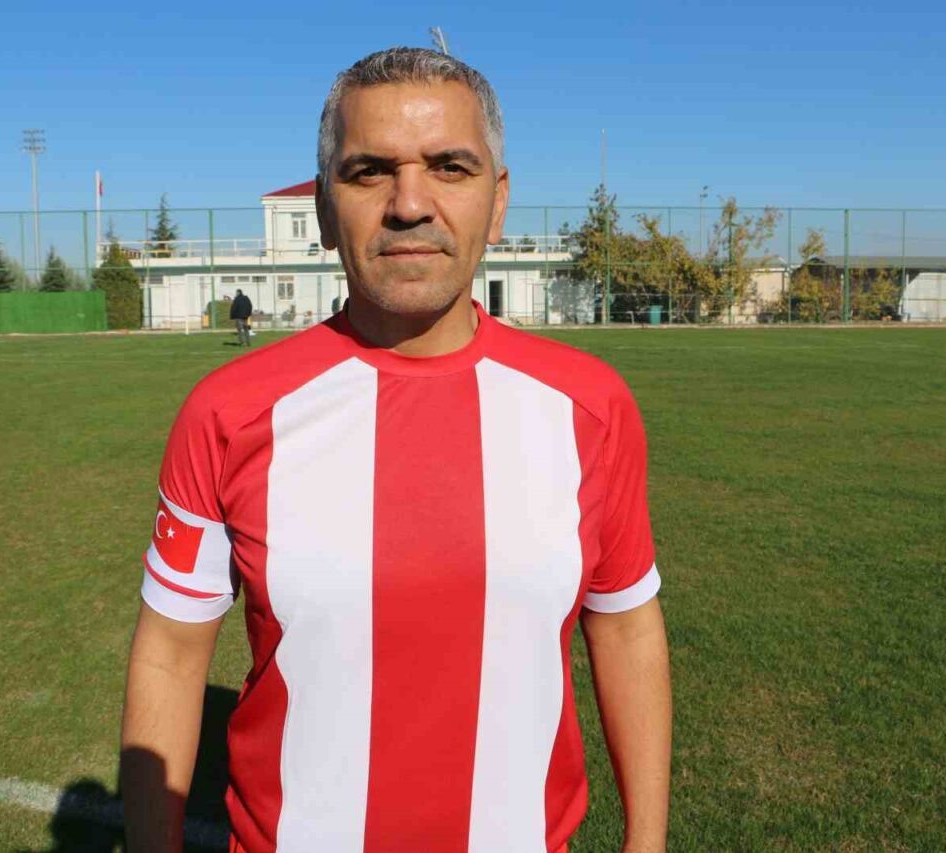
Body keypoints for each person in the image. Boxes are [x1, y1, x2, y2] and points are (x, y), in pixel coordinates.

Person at [121, 47, 671, 853]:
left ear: (498, 199)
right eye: (369, 171)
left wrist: (647, 841)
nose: (410, 204)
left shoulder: (591, 408)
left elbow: (624, 627)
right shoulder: (228, 414)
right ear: (322, 207)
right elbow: (170, 655)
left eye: (450, 167)